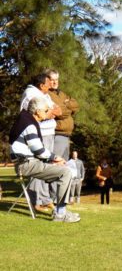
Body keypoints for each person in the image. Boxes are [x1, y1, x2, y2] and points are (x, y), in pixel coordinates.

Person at [9, 97, 79, 223]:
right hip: (26, 164)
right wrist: (55, 158)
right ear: (38, 111)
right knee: (66, 172)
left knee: (63, 171)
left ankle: (60, 211)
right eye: (46, 110)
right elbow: (38, 150)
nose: (48, 112)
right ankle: (60, 214)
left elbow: (37, 151)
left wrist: (52, 160)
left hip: (27, 162)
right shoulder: (29, 124)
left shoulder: (25, 120)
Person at [20, 73, 61, 212]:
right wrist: (49, 113)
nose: (51, 85)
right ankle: (35, 201)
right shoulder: (31, 94)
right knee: (38, 166)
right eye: (49, 82)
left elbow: (58, 111)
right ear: (41, 85)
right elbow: (37, 114)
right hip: (39, 133)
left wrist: (50, 112)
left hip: (49, 133)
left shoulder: (45, 95)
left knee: (46, 166)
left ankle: (44, 198)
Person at [47, 69, 80, 160]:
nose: (55, 82)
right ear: (47, 81)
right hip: (57, 134)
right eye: (52, 80)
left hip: (66, 135)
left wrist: (65, 105)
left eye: (56, 79)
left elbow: (76, 105)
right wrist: (68, 107)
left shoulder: (62, 94)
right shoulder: (47, 95)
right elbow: (59, 113)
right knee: (55, 165)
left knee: (64, 166)